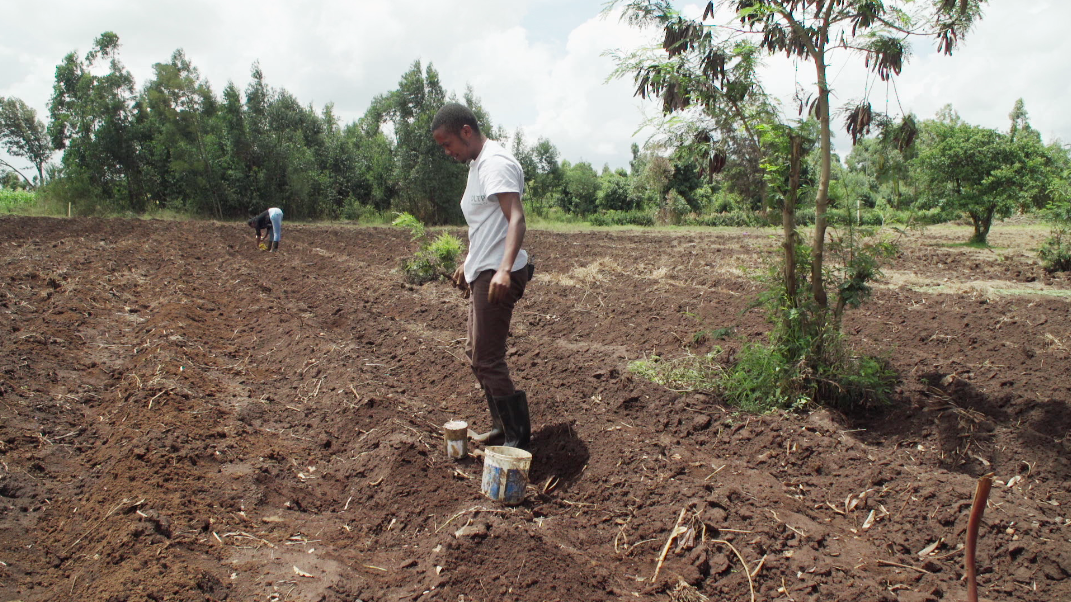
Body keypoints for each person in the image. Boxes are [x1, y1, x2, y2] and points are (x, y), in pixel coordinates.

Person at [431, 103, 533, 450]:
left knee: (488, 359)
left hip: (498, 273)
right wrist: (468, 261)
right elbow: (486, 223)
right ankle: (502, 426)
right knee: (477, 354)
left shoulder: (495, 162)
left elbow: (516, 218)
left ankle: (518, 440)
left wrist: (503, 269)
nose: (448, 152)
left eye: (447, 144)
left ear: (466, 131)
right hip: (484, 269)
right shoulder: (477, 164)